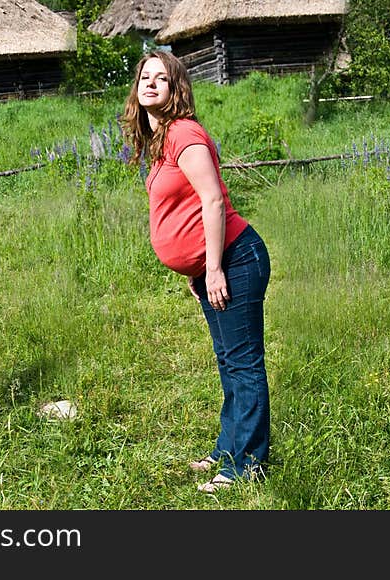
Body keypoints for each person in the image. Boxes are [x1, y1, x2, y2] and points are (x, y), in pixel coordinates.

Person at [121, 51, 272, 492]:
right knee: (228, 361)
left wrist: (212, 268)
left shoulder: (183, 133)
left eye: (161, 79)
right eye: (144, 77)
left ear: (176, 89)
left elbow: (213, 201)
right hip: (214, 265)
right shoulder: (159, 139)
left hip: (236, 260)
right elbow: (184, 209)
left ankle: (247, 464)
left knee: (243, 363)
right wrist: (194, 269)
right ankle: (229, 448)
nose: (150, 83)